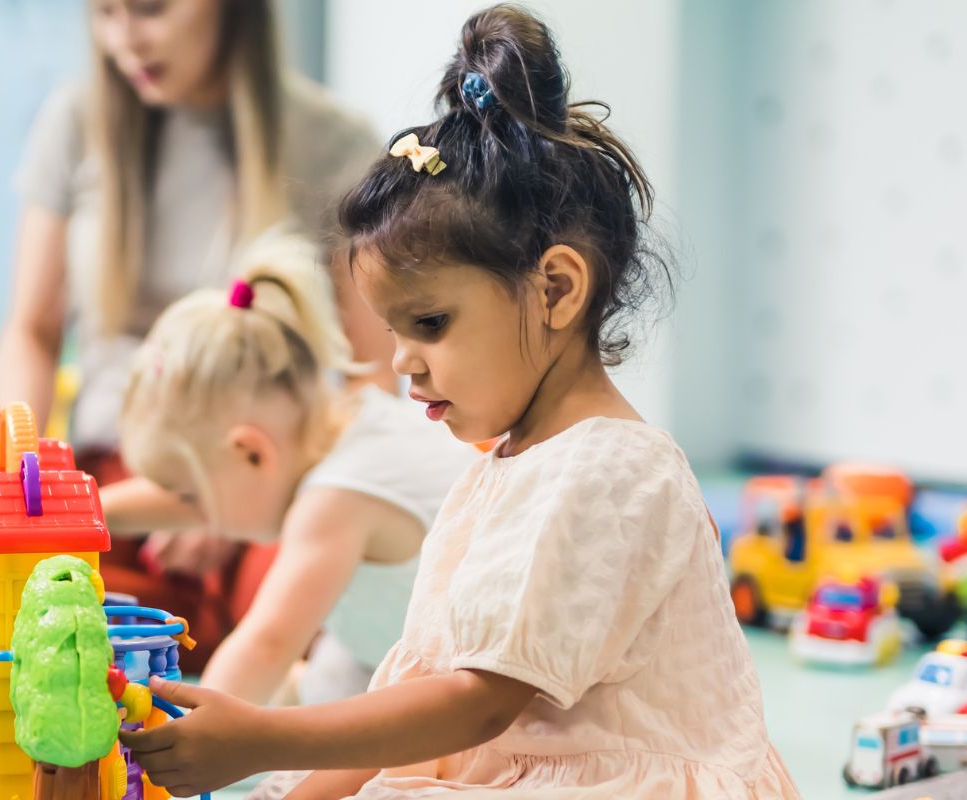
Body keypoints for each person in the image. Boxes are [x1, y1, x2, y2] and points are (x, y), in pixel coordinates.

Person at [120, 7, 799, 798]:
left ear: (556, 288)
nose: (403, 361)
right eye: (395, 331)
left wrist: (260, 736)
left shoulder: (612, 470)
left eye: (431, 324)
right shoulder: (499, 467)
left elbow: (473, 705)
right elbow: (416, 700)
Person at [0, 0, 388, 667]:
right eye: (105, 13)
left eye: (149, 10)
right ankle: (182, 638)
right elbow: (32, 331)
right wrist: (16, 485)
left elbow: (370, 374)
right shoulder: (73, 121)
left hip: (266, 477)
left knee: (326, 616)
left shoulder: (334, 142)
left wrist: (231, 504)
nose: (125, 40)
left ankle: (184, 640)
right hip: (113, 471)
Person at [104, 234, 476, 706]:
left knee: (304, 717)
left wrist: (181, 733)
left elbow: (266, 645)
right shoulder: (350, 420)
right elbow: (200, 500)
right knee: (328, 676)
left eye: (191, 496)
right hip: (384, 653)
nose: (194, 513)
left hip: (461, 683)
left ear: (252, 453)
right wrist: (93, 511)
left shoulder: (337, 497)